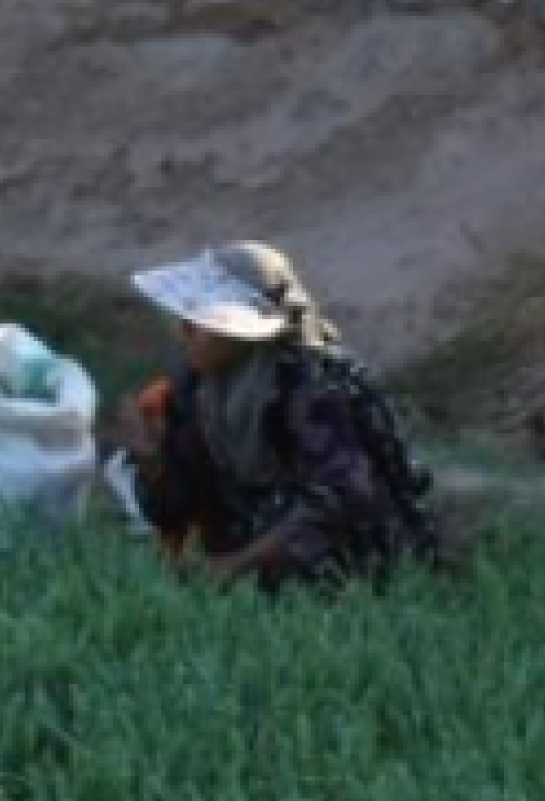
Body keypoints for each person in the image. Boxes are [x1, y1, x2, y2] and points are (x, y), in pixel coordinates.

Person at [117, 242, 438, 588]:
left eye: (201, 320)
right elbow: (179, 507)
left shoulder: (308, 385)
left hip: (353, 540)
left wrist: (236, 565)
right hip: (259, 529)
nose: (185, 330)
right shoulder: (198, 388)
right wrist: (152, 461)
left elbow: (346, 496)